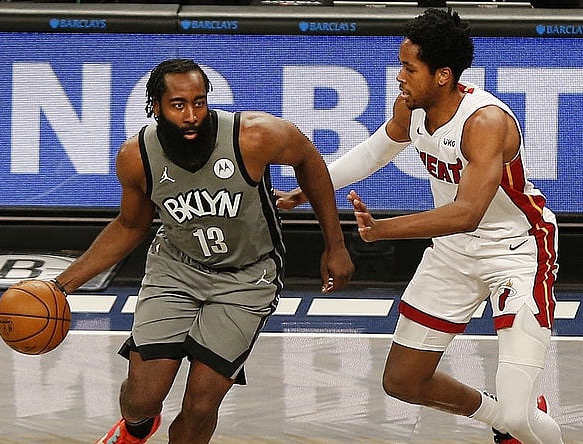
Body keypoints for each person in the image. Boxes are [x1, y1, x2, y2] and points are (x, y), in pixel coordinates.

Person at [276, 8, 563, 444]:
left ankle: (516, 418)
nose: (399, 77)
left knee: (522, 417)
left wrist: (381, 230)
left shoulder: (485, 123)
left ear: (443, 75)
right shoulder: (410, 108)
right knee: (404, 381)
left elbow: (467, 212)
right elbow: (373, 152)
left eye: (409, 68)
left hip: (516, 251)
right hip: (453, 253)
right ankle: (501, 416)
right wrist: (310, 189)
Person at [49, 58, 354, 443]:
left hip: (248, 278)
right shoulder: (136, 157)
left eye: (199, 102)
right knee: (141, 399)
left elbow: (308, 158)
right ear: (155, 107)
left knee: (198, 407)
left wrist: (335, 243)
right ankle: (135, 429)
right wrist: (61, 285)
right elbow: (130, 226)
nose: (192, 115)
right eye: (178, 104)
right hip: (176, 269)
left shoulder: (253, 135)